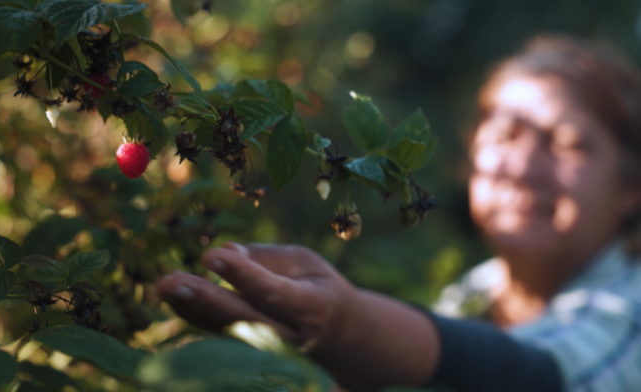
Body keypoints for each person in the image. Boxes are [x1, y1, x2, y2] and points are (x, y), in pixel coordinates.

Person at [155, 36, 641, 392]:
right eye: (507, 135)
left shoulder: (631, 310)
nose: (523, 167)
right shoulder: (470, 294)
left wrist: (349, 328)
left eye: (567, 144)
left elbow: (539, 376)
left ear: (631, 187)